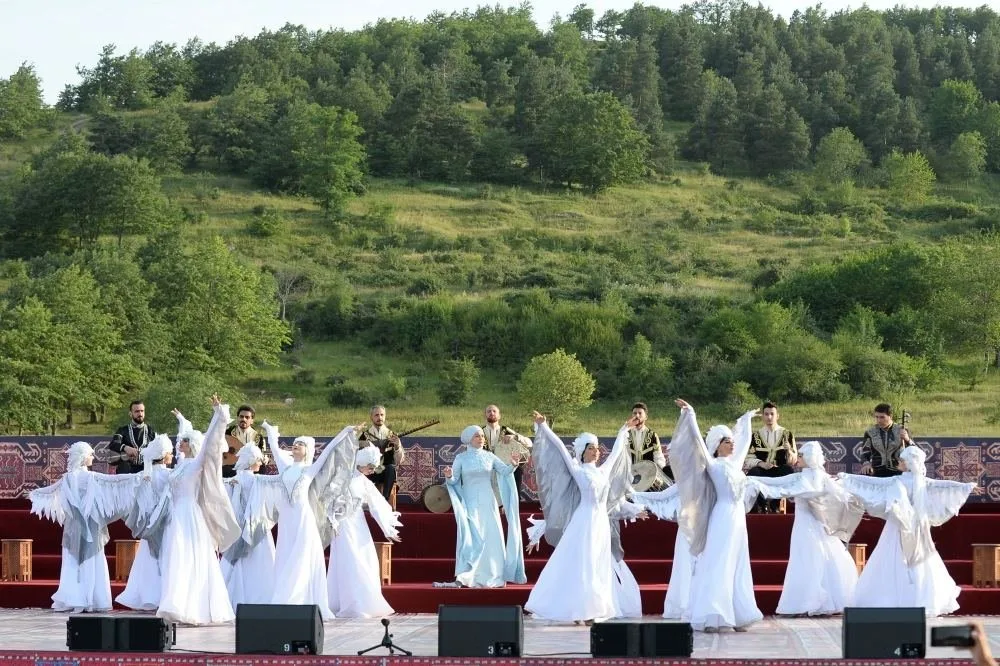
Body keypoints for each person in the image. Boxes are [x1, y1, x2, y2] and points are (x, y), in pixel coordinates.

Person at [525, 412, 647, 623]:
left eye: (597, 448)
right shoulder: (578, 470)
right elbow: (560, 448)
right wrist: (544, 426)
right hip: (584, 520)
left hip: (600, 523)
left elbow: (617, 453)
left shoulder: (603, 471)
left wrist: (624, 429)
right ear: (582, 451)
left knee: (598, 564)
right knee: (583, 563)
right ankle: (578, 609)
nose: (596, 451)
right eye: (591, 448)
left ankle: (593, 609)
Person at [839, 445, 974, 617]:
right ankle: (918, 597)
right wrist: (967, 487)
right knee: (919, 557)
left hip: (899, 527)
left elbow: (871, 482)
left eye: (902, 460)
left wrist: (846, 478)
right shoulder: (921, 482)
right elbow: (945, 486)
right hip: (915, 527)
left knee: (897, 557)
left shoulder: (899, 481)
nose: (898, 462)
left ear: (910, 463)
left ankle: (893, 598)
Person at [248, 420, 361, 620]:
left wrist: (347, 431)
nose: (296, 445)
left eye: (300, 444)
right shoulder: (285, 467)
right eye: (295, 443)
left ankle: (295, 599)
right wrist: (268, 429)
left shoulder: (310, 469)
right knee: (285, 557)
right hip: (287, 523)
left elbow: (330, 450)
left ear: (307, 450)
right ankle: (285, 598)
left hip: (303, 520)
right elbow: (274, 448)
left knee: (301, 558)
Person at [669, 399, 762, 632]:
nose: (732, 444)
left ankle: (738, 614)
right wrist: (691, 414)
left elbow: (747, 440)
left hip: (738, 518)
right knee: (719, 562)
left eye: (732, 441)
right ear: (718, 445)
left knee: (737, 564)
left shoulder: (736, 463)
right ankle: (713, 615)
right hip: (722, 516)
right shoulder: (713, 464)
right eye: (727, 441)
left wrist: (747, 420)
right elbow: (697, 442)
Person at [746, 441, 863, 616]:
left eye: (801, 455)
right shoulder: (818, 477)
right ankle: (823, 600)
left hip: (811, 525)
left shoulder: (804, 478)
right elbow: (778, 483)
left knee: (808, 558)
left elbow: (779, 485)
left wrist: (752, 480)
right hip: (816, 524)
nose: (798, 458)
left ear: (809, 458)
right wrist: (753, 480)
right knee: (821, 558)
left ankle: (809, 601)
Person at [153, 397, 242, 625]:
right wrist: (182, 420)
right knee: (175, 558)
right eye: (180, 440)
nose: (179, 443)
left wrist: (219, 414)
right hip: (175, 516)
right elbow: (184, 432)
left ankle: (192, 606)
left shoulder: (197, 464)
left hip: (189, 515)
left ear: (191, 445)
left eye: (183, 441)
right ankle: (175, 604)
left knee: (188, 557)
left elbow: (212, 441)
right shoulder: (180, 464)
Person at [29, 442, 140, 613]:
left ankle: (74, 597)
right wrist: (138, 477)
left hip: (73, 527)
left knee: (73, 560)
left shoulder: (67, 479)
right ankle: (92, 599)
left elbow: (48, 492)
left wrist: (34, 495)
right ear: (81, 457)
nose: (92, 457)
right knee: (91, 559)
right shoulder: (92, 477)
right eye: (89, 455)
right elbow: (117, 481)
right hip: (90, 525)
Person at [442, 425, 525, 588]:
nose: (481, 438)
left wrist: (513, 465)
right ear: (469, 439)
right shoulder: (461, 458)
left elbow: (505, 471)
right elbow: (453, 481)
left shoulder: (490, 456)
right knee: (473, 535)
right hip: (470, 501)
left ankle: (494, 573)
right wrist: (449, 475)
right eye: (477, 436)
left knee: (491, 535)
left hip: (488, 501)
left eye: (482, 436)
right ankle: (468, 574)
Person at [327, 445, 401, 618]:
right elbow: (328, 500)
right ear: (361, 462)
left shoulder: (365, 483)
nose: (372, 470)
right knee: (347, 561)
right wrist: (332, 520)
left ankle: (363, 601)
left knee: (365, 559)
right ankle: (347, 602)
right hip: (342, 526)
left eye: (374, 467)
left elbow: (378, 506)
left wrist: (388, 528)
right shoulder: (342, 477)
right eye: (370, 466)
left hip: (358, 525)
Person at [116, 435, 173, 611]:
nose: (172, 456)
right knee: (165, 557)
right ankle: (163, 595)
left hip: (149, 524)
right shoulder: (170, 475)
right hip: (166, 523)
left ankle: (147, 595)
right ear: (164, 456)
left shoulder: (143, 476)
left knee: (149, 558)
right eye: (170, 453)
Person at [221, 443, 275, 607]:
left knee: (236, 561)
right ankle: (260, 596)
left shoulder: (232, 480)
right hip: (255, 526)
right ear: (252, 461)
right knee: (259, 560)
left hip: (238, 525)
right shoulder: (258, 480)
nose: (261, 463)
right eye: (259, 459)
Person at [744, 401, 797, 513]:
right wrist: (761, 463)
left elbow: (793, 460)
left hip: (779, 470)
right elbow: (748, 458)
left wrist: (789, 451)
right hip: (763, 469)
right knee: (752, 475)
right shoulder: (755, 436)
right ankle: (762, 505)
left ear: (777, 416)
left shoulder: (787, 434)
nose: (769, 417)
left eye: (772, 414)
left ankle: (775, 503)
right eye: (766, 414)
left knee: (789, 471)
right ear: (763, 416)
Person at [482, 404, 533, 497]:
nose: (491, 413)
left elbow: (529, 443)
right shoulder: (480, 432)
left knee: (517, 470)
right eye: (488, 411)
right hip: (487, 468)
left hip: (507, 468)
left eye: (494, 411)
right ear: (485, 415)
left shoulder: (506, 430)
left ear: (499, 415)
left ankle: (513, 507)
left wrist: (515, 436)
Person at [359, 405, 405, 502]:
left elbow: (399, 461)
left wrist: (397, 446)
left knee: (391, 468)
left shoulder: (392, 435)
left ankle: (384, 500)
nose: (379, 418)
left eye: (382, 415)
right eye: (376, 415)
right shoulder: (364, 436)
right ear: (371, 417)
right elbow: (358, 458)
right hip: (370, 472)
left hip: (386, 473)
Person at [859, 403, 911, 477]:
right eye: (876, 417)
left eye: (882, 417)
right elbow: (864, 453)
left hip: (898, 470)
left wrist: (907, 439)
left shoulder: (902, 430)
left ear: (890, 416)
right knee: (863, 475)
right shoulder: (870, 432)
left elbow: (914, 451)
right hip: (876, 470)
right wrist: (866, 464)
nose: (878, 420)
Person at [109, 400, 156, 474]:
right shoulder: (122, 430)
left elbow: (158, 449)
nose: (140, 414)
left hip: (145, 471)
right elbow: (113, 444)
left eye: (142, 411)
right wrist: (125, 447)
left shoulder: (151, 431)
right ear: (130, 414)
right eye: (137, 411)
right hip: (126, 471)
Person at [627, 402, 671, 481]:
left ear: (646, 417)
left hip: (647, 479)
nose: (637, 415)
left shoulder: (653, 436)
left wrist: (662, 473)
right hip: (629, 478)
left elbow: (658, 457)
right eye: (634, 413)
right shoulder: (626, 435)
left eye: (640, 413)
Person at [223, 404, 267, 478]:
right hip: (231, 466)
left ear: (252, 420)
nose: (244, 419)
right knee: (223, 469)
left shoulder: (258, 437)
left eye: (247, 417)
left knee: (262, 468)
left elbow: (260, 456)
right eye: (241, 416)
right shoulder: (227, 432)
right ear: (237, 418)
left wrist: (264, 459)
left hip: (249, 466)